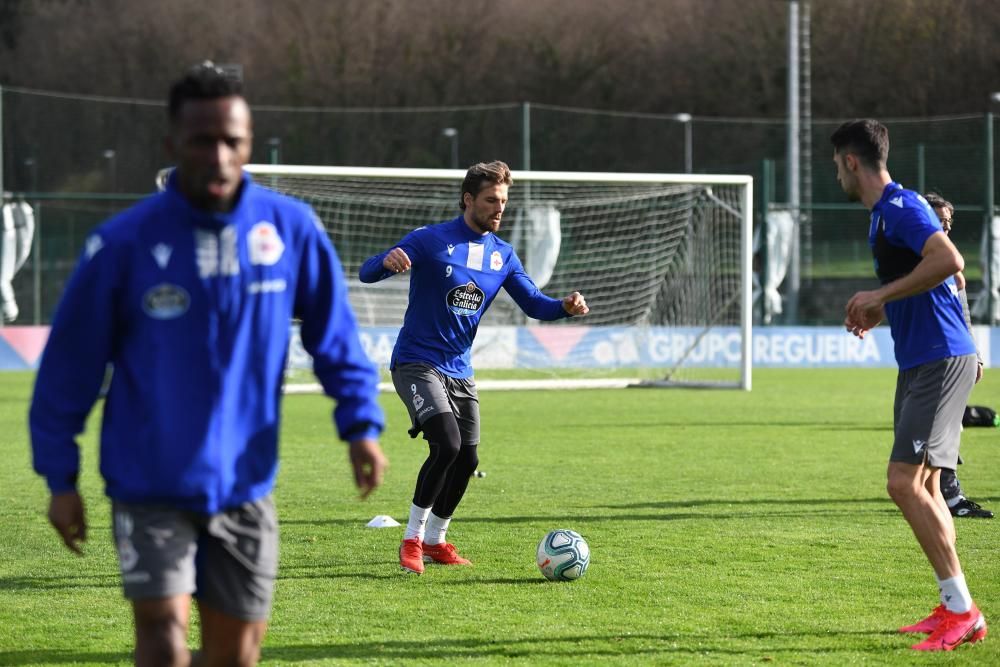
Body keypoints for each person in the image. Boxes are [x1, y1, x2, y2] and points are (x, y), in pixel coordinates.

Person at [29, 62, 388, 666]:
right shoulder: (122, 244)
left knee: (234, 658)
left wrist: (361, 425)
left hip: (245, 482)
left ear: (249, 143)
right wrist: (60, 479)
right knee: (163, 644)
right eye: (203, 141)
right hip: (149, 483)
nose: (219, 156)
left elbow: (335, 336)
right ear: (173, 144)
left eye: (233, 142)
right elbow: (68, 369)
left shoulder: (289, 230)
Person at [359, 160, 589, 575]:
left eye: (503, 201)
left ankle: (436, 541)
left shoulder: (502, 255)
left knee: (466, 459)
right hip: (416, 362)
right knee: (445, 444)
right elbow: (367, 271)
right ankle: (411, 538)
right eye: (490, 201)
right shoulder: (431, 239)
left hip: (459, 369)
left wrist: (565, 308)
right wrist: (387, 261)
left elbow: (535, 304)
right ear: (468, 200)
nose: (499, 208)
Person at [832, 119, 986, 652]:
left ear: (852, 161)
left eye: (836, 166)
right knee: (922, 486)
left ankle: (963, 609)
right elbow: (925, 282)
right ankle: (955, 607)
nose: (837, 176)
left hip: (940, 359)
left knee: (903, 483)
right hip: (921, 360)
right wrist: (882, 307)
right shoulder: (883, 217)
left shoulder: (901, 207)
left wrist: (880, 295)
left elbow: (950, 261)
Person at [924, 192, 993, 519]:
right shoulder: (910, 260)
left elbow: (961, 315)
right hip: (926, 358)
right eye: (939, 222)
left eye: (948, 223)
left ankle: (948, 496)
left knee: (947, 429)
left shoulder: (953, 264)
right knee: (935, 433)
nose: (945, 229)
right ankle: (945, 496)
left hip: (954, 357)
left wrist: (975, 355)